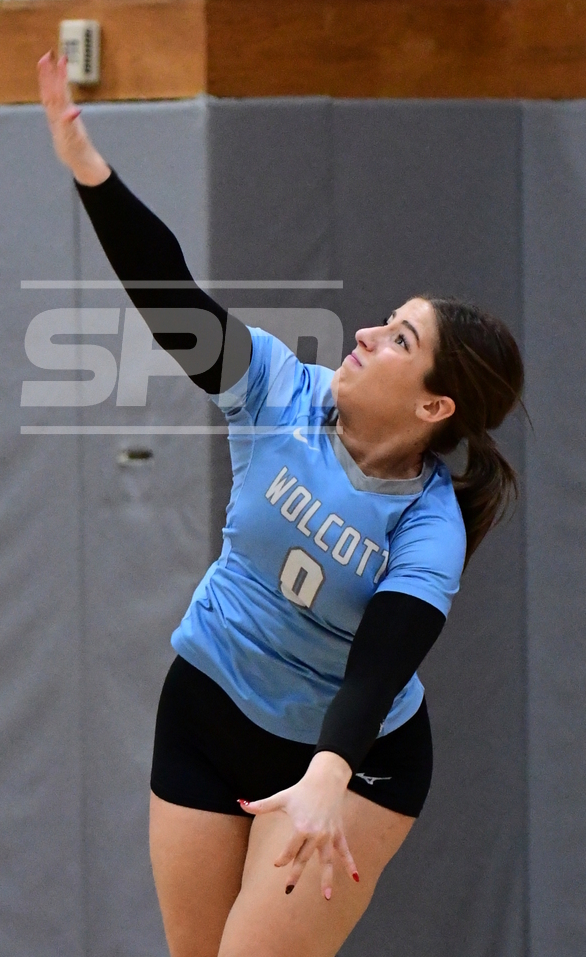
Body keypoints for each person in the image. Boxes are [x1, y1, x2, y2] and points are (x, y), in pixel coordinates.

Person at [37, 51, 525, 957]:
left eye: (399, 339)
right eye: (386, 320)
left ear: (434, 406)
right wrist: (88, 169)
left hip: (351, 758)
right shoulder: (278, 392)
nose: (367, 333)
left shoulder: (427, 526)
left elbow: (377, 669)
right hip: (208, 704)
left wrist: (328, 775)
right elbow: (172, 299)